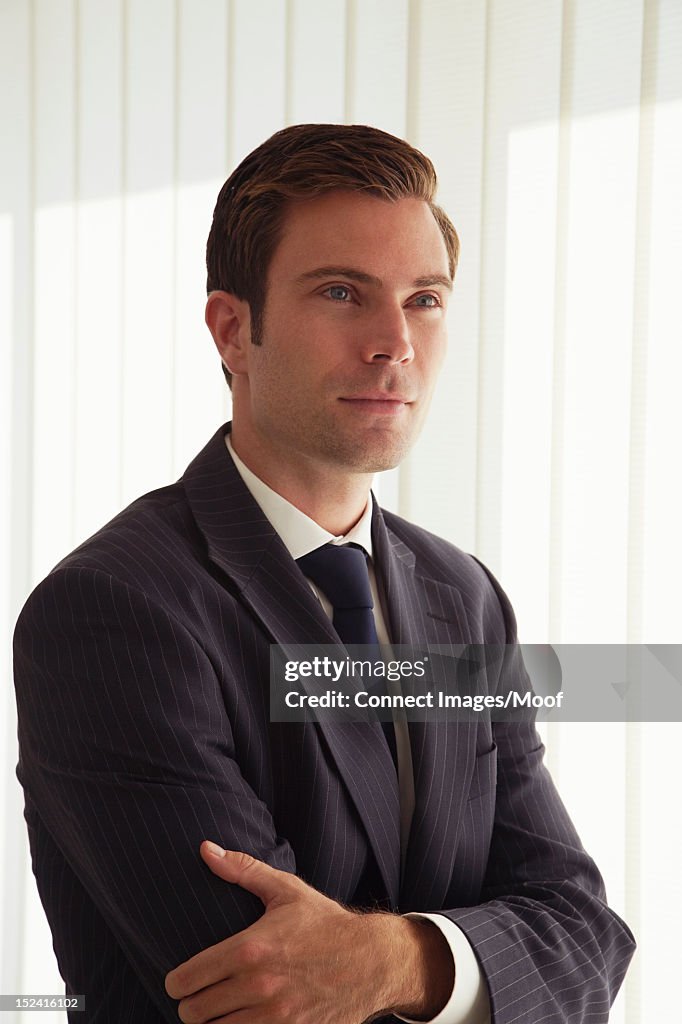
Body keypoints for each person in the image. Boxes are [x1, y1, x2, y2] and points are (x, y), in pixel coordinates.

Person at [13, 124, 635, 1024]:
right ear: (233, 329)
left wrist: (395, 960)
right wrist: (473, 964)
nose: (395, 343)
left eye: (424, 299)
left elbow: (583, 938)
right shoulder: (116, 610)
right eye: (343, 293)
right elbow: (264, 991)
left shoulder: (466, 597)